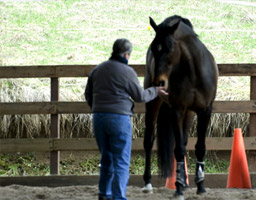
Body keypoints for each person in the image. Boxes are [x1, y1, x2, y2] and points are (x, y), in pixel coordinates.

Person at [85, 38, 168, 200]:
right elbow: (139, 96)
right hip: (119, 119)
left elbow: (88, 94)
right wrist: (155, 91)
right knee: (121, 161)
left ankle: (104, 194)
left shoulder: (97, 70)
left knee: (106, 157)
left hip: (99, 118)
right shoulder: (127, 72)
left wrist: (98, 107)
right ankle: (118, 197)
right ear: (125, 54)